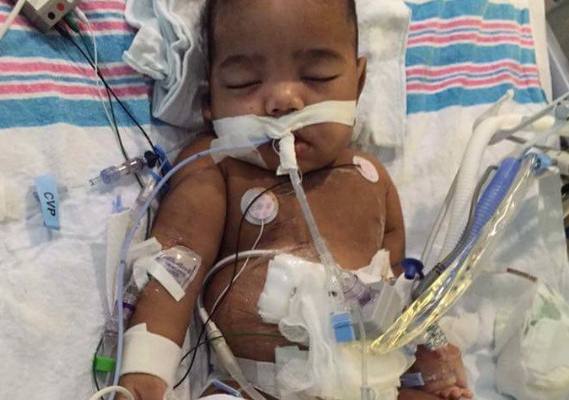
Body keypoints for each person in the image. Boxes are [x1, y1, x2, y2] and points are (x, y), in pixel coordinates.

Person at [118, 1, 473, 399]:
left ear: (357, 84)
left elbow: (395, 295)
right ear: (209, 101)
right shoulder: (216, 167)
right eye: (245, 82)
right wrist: (145, 370)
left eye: (316, 75)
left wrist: (425, 359)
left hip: (366, 385)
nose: (283, 101)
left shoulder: (370, 178)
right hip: (255, 388)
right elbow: (174, 267)